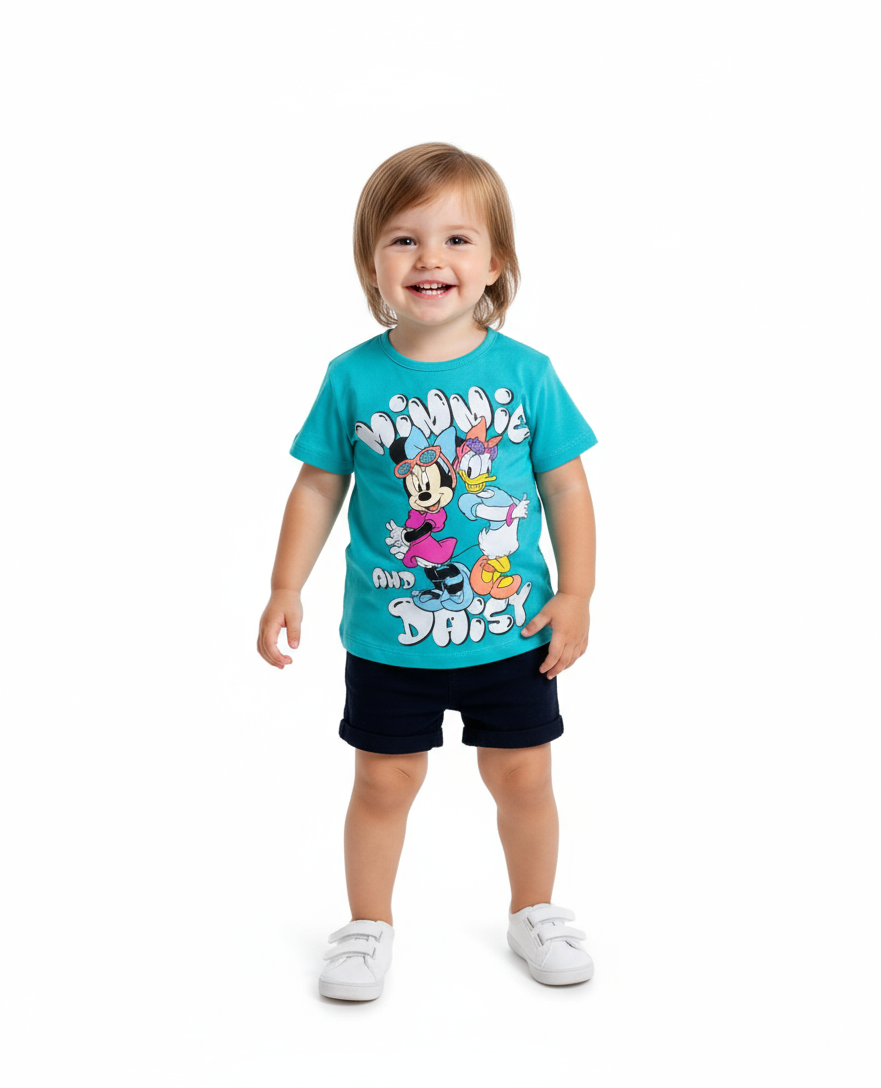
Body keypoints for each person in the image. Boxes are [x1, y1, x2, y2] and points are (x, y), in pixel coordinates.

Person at [257, 143, 598, 1001]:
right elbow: (318, 486)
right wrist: (285, 586)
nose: (429, 258)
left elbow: (566, 485)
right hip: (391, 638)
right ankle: (366, 925)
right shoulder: (352, 377)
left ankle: (535, 909)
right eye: (404, 240)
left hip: (512, 632)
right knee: (383, 781)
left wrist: (577, 594)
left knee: (523, 777)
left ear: (496, 263)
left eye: (456, 239)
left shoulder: (527, 374)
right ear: (372, 261)